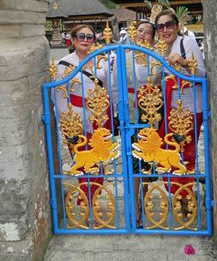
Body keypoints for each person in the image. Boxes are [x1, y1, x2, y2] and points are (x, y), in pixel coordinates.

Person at [52, 24, 114, 225]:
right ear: (72, 39)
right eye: (81, 36)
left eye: (90, 36)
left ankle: (94, 201)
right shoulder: (63, 63)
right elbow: (59, 96)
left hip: (99, 118)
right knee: (82, 163)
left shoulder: (101, 60)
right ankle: (86, 204)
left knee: (99, 163)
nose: (86, 40)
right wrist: (68, 122)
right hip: (75, 118)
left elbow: (111, 88)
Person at [154, 9, 206, 215]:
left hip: (191, 108)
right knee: (171, 153)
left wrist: (183, 63)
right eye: (160, 26)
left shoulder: (187, 43)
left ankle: (186, 198)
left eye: (169, 25)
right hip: (172, 109)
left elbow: (203, 73)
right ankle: (180, 195)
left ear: (176, 26)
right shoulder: (161, 49)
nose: (165, 29)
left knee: (187, 154)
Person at [125, 20, 161, 227]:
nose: (143, 35)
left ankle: (145, 195)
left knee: (147, 159)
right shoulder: (124, 56)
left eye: (148, 32)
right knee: (133, 159)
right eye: (140, 30)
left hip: (151, 113)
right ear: (133, 32)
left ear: (153, 37)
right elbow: (114, 87)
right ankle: (135, 206)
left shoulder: (157, 57)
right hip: (130, 113)